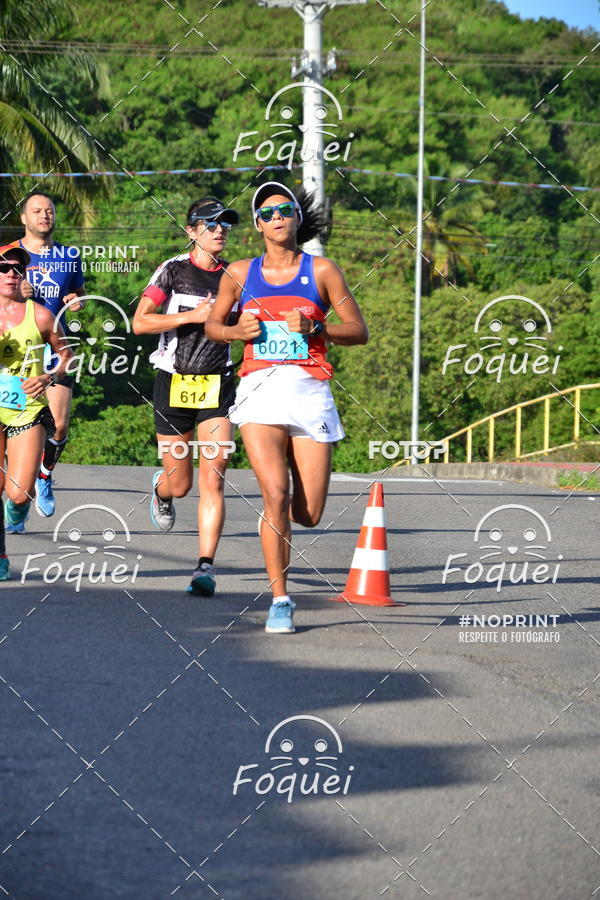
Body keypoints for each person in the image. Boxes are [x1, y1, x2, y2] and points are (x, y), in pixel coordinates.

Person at [206, 182, 368, 634]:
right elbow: (214, 326)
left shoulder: (322, 271)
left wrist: (319, 325)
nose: (277, 216)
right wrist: (237, 332)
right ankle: (280, 599)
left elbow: (358, 330)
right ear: (258, 225)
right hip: (259, 391)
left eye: (285, 209)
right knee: (273, 495)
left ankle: (287, 516)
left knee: (309, 513)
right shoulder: (239, 272)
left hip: (310, 392)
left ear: (297, 218)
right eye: (267, 211)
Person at [133, 197, 240, 597]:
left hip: (218, 385)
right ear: (191, 231)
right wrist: (192, 317)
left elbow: (249, 321)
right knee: (181, 484)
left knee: (214, 477)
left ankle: (204, 568)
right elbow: (140, 321)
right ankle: (162, 488)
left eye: (225, 224)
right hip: (174, 382)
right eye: (210, 225)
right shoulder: (173, 271)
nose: (219, 230)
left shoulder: (236, 275)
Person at [10, 191, 85, 528]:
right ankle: (17, 494)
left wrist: (75, 299)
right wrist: (15, 292)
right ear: (24, 218)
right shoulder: (7, 254)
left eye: (49, 211)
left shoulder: (69, 256)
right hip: (14, 348)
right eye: (36, 211)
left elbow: (79, 293)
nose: (44, 215)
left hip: (55, 347)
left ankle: (44, 475)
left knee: (59, 424)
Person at [0, 245, 72, 579]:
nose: (10, 273)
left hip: (26, 408)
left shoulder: (40, 314)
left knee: (18, 492)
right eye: (3, 268)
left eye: (17, 269)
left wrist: (49, 376)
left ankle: (16, 511)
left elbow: (67, 355)